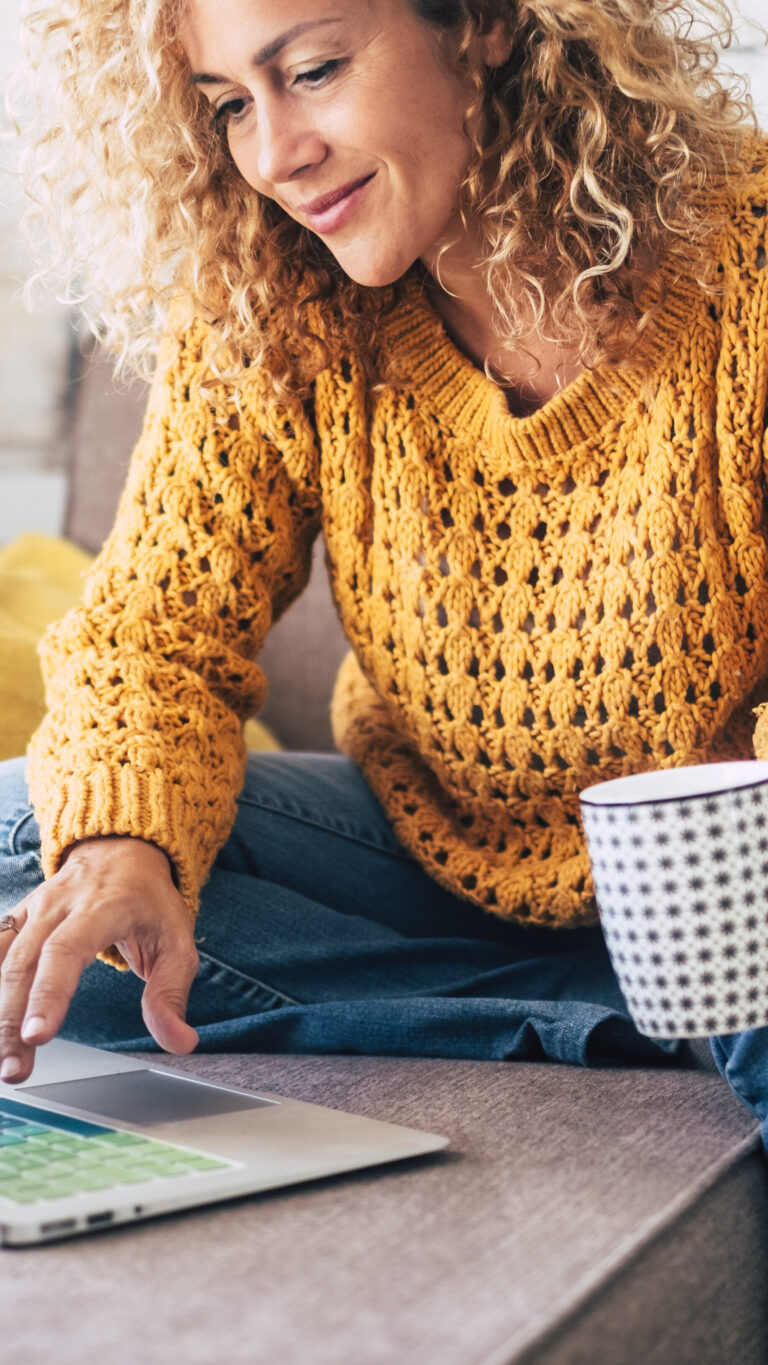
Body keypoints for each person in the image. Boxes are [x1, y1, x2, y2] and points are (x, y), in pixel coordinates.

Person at [1, 0, 767, 1152]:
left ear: (485, 26)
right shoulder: (274, 296)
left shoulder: (744, 255)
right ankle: (606, 1019)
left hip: (730, 882)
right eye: (226, 107)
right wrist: (127, 846)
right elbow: (151, 640)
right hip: (431, 863)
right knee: (33, 837)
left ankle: (657, 1010)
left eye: (311, 71)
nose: (272, 156)